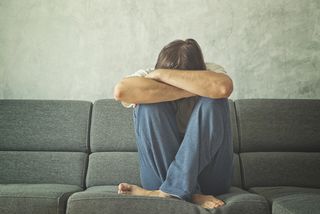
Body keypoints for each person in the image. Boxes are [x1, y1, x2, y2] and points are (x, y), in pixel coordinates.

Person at [113, 39, 234, 209]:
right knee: (148, 105)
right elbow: (120, 91)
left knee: (215, 101)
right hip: (159, 175)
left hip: (211, 178)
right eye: (165, 73)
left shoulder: (211, 72)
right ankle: (186, 192)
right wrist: (185, 88)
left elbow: (223, 89)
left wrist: (164, 76)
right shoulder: (148, 74)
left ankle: (165, 192)